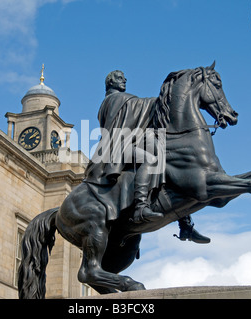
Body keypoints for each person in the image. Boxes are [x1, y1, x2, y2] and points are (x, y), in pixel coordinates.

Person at [84, 70, 210, 243]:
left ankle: (185, 224)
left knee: (168, 161)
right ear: (110, 82)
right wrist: (169, 97)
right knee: (152, 159)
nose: (124, 80)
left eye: (124, 78)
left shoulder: (122, 100)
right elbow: (138, 109)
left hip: (126, 144)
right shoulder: (114, 100)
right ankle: (141, 207)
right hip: (117, 150)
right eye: (120, 78)